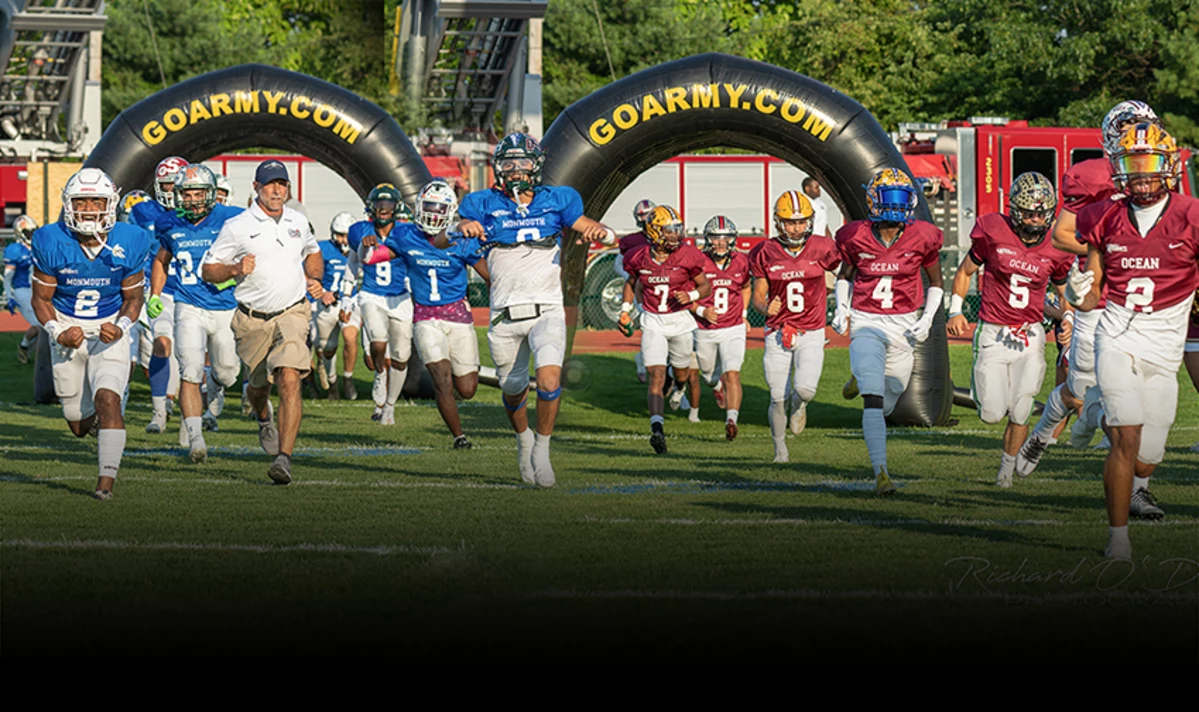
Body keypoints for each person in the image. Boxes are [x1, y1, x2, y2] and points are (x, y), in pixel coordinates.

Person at [1015, 101, 1169, 521]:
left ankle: (1139, 491)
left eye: (1146, 130)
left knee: (1147, 401)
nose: (1139, 140)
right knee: (1079, 391)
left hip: (1145, 304)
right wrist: (1118, 248)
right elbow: (1063, 234)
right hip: (1098, 299)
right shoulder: (1092, 175)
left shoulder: (1161, 175)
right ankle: (1044, 432)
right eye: (1131, 130)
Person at [1065, 123, 1197, 558]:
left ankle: (1096, 410)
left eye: (1148, 164)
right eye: (1130, 165)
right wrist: (1075, 293)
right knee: (1127, 439)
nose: (1140, 175)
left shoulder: (1192, 215)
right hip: (1117, 339)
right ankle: (1117, 539)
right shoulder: (1103, 217)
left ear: (1168, 166)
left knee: (1146, 456)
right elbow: (1091, 297)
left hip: (1164, 351)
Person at [456, 132, 614, 486]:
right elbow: (460, 229)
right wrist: (462, 225)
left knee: (548, 379)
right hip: (504, 316)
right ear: (498, 167)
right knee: (513, 392)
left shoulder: (558, 199)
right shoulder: (481, 202)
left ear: (537, 165)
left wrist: (602, 233)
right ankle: (523, 438)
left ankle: (542, 448)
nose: (515, 170)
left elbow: (588, 225)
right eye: (508, 163)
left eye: (522, 162)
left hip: (547, 310)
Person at [30, 168, 151, 500]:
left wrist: (123, 326)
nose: (89, 210)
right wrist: (57, 331)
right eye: (82, 202)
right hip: (67, 327)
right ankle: (101, 421)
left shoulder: (130, 239)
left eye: (97, 200)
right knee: (77, 423)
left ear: (110, 203)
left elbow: (134, 299)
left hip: (108, 326)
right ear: (69, 205)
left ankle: (105, 484)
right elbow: (40, 299)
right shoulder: (51, 240)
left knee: (108, 399)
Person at [201, 159, 324, 485]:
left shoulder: (299, 220)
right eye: (270, 183)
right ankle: (263, 415)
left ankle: (284, 458)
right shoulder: (238, 226)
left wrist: (315, 277)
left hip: (293, 312)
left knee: (289, 375)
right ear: (256, 187)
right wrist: (235, 269)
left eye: (281, 184)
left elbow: (313, 251)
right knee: (258, 389)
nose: (276, 190)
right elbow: (208, 270)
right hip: (252, 320)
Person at [946, 172, 1072, 487]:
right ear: (1015, 209)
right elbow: (965, 271)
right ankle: (981, 395)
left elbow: (1064, 293)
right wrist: (955, 310)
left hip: (1030, 334)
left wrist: (1067, 319)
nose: (1036, 218)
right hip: (992, 330)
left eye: (1042, 212)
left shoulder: (1056, 245)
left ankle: (1006, 473)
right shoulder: (993, 230)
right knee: (991, 412)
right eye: (1029, 211)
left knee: (1021, 409)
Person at [833, 168, 944, 495]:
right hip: (867, 319)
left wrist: (926, 320)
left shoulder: (923, 235)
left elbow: (936, 282)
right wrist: (842, 308)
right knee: (873, 394)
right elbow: (845, 275)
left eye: (900, 199)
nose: (895, 207)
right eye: (888, 199)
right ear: (873, 201)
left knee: (890, 398)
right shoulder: (855, 235)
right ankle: (881, 472)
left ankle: (858, 376)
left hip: (904, 324)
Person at [362, 179, 491, 448]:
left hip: (457, 316)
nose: (433, 212)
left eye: (438, 207)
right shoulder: (405, 235)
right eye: (428, 206)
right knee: (441, 379)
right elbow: (374, 257)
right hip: (425, 317)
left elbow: (490, 276)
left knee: (467, 389)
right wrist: (368, 248)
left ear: (450, 211)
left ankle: (475, 384)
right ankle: (459, 437)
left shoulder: (461, 240)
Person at [151, 164, 244, 462]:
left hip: (226, 306)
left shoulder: (232, 218)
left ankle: (215, 386)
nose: (192, 200)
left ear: (212, 193)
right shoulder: (168, 222)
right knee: (189, 370)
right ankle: (195, 439)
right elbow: (161, 259)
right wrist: (155, 293)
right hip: (188, 304)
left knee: (228, 372)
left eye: (198, 193)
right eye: (186, 194)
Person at [751, 191, 841, 462]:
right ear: (779, 222)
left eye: (801, 222)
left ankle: (799, 407)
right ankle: (780, 450)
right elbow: (757, 295)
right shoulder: (765, 251)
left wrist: (843, 301)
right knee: (777, 396)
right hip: (778, 331)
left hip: (812, 331)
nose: (796, 227)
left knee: (804, 391)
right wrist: (766, 307)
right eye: (790, 222)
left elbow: (845, 273)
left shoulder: (823, 247)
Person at [619, 205, 711, 454]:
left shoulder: (688, 255)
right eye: (669, 230)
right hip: (653, 322)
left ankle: (680, 388)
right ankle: (657, 429)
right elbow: (631, 283)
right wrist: (625, 310)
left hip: (681, 322)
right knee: (657, 376)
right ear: (654, 231)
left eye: (677, 230)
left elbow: (705, 287)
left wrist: (690, 294)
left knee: (681, 375)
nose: (675, 235)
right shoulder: (637, 256)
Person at [347, 183, 412, 426]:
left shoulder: (406, 232)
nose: (383, 209)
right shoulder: (359, 229)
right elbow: (354, 255)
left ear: (396, 208)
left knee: (402, 356)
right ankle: (379, 373)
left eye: (388, 205)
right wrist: (364, 242)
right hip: (372, 293)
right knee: (377, 339)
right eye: (379, 204)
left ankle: (390, 406)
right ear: (371, 207)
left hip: (401, 296)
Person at [135, 156, 188, 437]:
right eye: (166, 184)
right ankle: (158, 413)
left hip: (193, 291)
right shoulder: (142, 213)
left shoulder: (199, 211)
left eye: (176, 184)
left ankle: (199, 408)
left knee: (190, 354)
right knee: (162, 343)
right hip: (159, 289)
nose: (170, 190)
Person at [691, 215, 750, 440]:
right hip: (704, 328)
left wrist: (743, 314)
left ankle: (731, 419)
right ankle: (716, 388)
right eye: (716, 238)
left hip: (732, 327)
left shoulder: (741, 261)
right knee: (708, 376)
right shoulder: (698, 262)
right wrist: (701, 311)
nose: (721, 242)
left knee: (732, 373)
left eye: (725, 238)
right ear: (708, 239)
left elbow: (745, 286)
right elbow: (687, 296)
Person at [312, 211, 361, 400]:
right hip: (327, 303)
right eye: (340, 234)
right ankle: (332, 383)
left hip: (350, 302)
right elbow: (311, 273)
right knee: (328, 347)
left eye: (347, 235)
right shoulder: (322, 248)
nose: (344, 239)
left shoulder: (360, 249)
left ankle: (348, 380)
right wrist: (322, 292)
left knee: (350, 338)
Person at [614, 198, 656, 383]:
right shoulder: (631, 241)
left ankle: (644, 359)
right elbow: (618, 265)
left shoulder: (667, 237)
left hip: (664, 289)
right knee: (651, 329)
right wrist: (634, 278)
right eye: (642, 216)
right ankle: (645, 361)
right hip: (643, 292)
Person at [6, 214, 40, 363]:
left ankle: (29, 351)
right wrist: (9, 297)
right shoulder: (15, 250)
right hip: (23, 290)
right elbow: (7, 277)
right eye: (28, 233)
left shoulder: (38, 247)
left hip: (37, 290)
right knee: (40, 325)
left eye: (33, 232)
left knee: (47, 325)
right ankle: (25, 346)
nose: (31, 235)